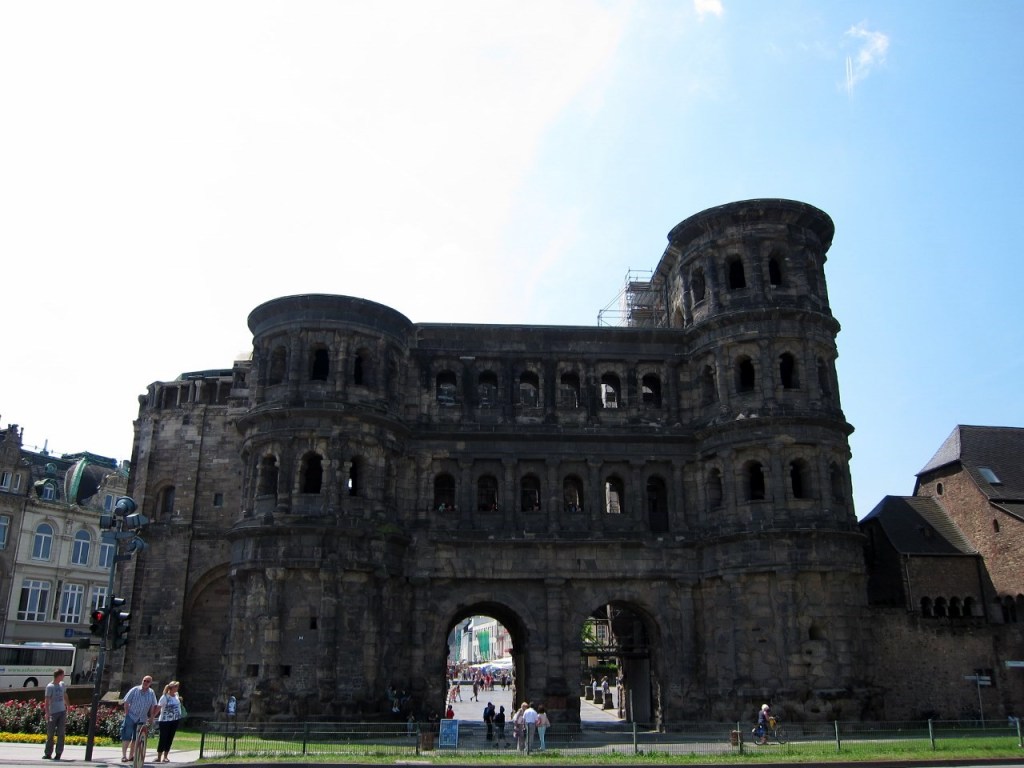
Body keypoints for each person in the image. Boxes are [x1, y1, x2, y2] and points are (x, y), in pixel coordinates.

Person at [121, 675, 159, 762]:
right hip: (131, 716)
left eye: (148, 681)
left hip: (142, 718)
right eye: (144, 680)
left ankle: (131, 756)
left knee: (136, 738)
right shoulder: (135, 690)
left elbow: (153, 705)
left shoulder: (151, 692)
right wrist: (127, 714)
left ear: (150, 683)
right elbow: (126, 702)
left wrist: (151, 717)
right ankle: (124, 755)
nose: (145, 682)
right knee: (127, 736)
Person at [43, 668, 69, 760]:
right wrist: (47, 713)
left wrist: (68, 706)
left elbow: (65, 695)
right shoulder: (50, 686)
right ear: (59, 676)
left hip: (62, 712)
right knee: (50, 734)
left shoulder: (62, 685)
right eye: (63, 675)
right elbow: (46, 701)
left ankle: (58, 753)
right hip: (53, 713)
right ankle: (48, 753)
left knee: (61, 733)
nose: (64, 677)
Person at [155, 681, 183, 762]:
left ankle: (165, 756)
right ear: (171, 688)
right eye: (176, 686)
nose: (177, 688)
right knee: (163, 738)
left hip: (175, 720)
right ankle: (159, 756)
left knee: (170, 738)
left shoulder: (176, 695)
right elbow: (159, 707)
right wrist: (152, 717)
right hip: (165, 720)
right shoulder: (164, 697)